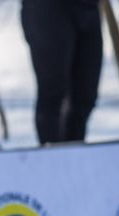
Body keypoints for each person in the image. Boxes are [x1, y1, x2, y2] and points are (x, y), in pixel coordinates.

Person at [21, 0, 103, 144]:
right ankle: (54, 160)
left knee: (86, 95)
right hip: (46, 7)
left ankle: (74, 156)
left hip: (88, 7)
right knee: (53, 90)